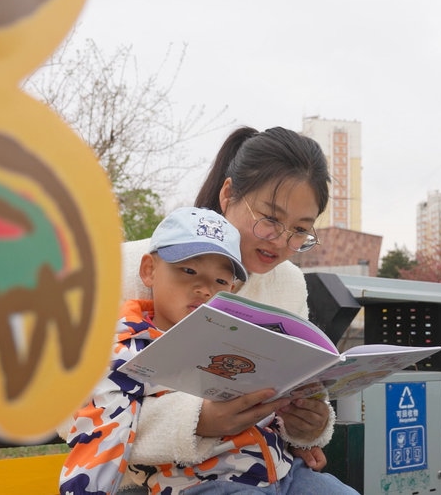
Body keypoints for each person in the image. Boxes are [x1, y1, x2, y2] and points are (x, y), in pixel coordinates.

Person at [60, 207, 357, 494]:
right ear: (149, 270)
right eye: (189, 270)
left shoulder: (243, 339)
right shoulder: (131, 346)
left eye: (220, 281)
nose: (204, 289)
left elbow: (272, 403)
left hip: (284, 472)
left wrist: (302, 425)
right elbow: (100, 429)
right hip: (200, 482)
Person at [119, 126, 336, 472]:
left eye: (299, 230)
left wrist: (307, 427)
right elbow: (77, 411)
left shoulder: (289, 283)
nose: (280, 242)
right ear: (228, 194)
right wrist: (199, 422)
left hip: (265, 469)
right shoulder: (134, 266)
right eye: (270, 219)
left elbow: (294, 387)